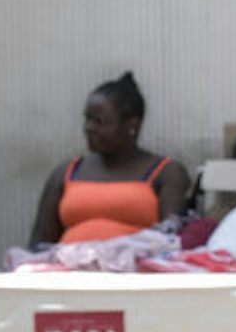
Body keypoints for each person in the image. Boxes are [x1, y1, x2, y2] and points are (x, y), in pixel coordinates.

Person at [29, 71, 191, 246]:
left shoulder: (166, 172)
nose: (88, 128)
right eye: (87, 119)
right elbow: (39, 242)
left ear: (132, 125)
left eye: (99, 121)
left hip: (134, 268)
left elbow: (170, 239)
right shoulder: (67, 171)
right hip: (66, 268)